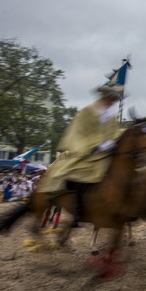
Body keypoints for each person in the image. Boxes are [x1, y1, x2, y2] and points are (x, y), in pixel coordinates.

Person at [37, 85, 122, 227]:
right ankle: (77, 211)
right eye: (110, 99)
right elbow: (79, 133)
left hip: (105, 154)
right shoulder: (87, 112)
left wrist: (114, 142)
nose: (112, 102)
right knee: (76, 174)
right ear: (104, 97)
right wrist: (98, 145)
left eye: (113, 100)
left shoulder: (112, 117)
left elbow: (114, 134)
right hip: (87, 153)